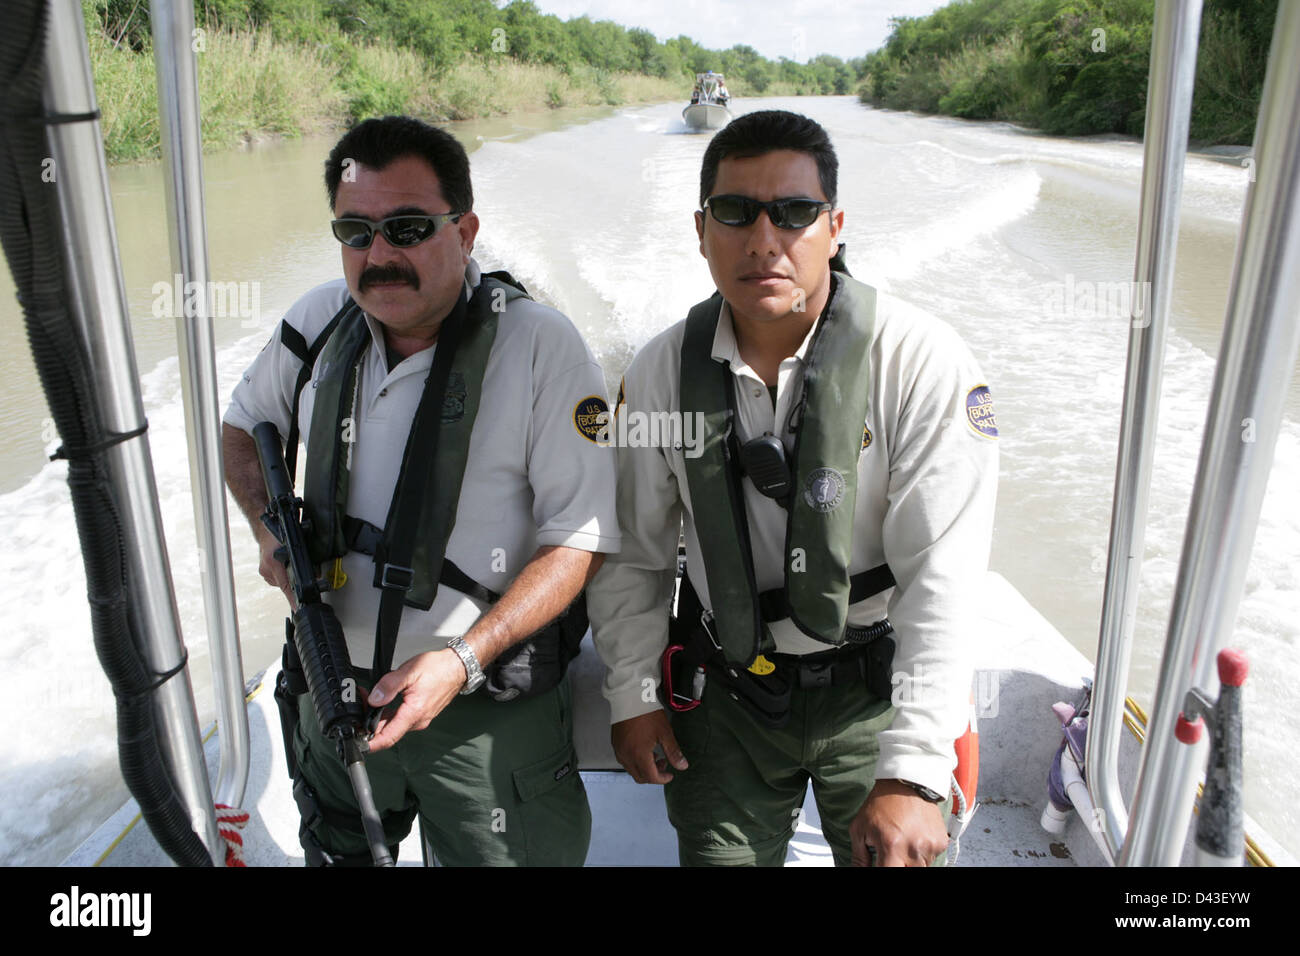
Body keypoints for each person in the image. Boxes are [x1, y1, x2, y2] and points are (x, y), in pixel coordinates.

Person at [586, 110, 998, 867]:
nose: (764, 240)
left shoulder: (922, 363)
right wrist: (636, 696)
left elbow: (944, 580)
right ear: (702, 227)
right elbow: (638, 556)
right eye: (736, 213)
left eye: (795, 213)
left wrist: (910, 770)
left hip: (876, 692)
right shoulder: (655, 375)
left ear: (834, 226)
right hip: (726, 692)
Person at [222, 115, 619, 866]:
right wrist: (266, 529)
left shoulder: (542, 348)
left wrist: (463, 659)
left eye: (407, 228)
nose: (379, 256)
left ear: (464, 231)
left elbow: (582, 539)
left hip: (481, 716)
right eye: (355, 231)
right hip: (326, 686)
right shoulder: (316, 322)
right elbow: (244, 427)